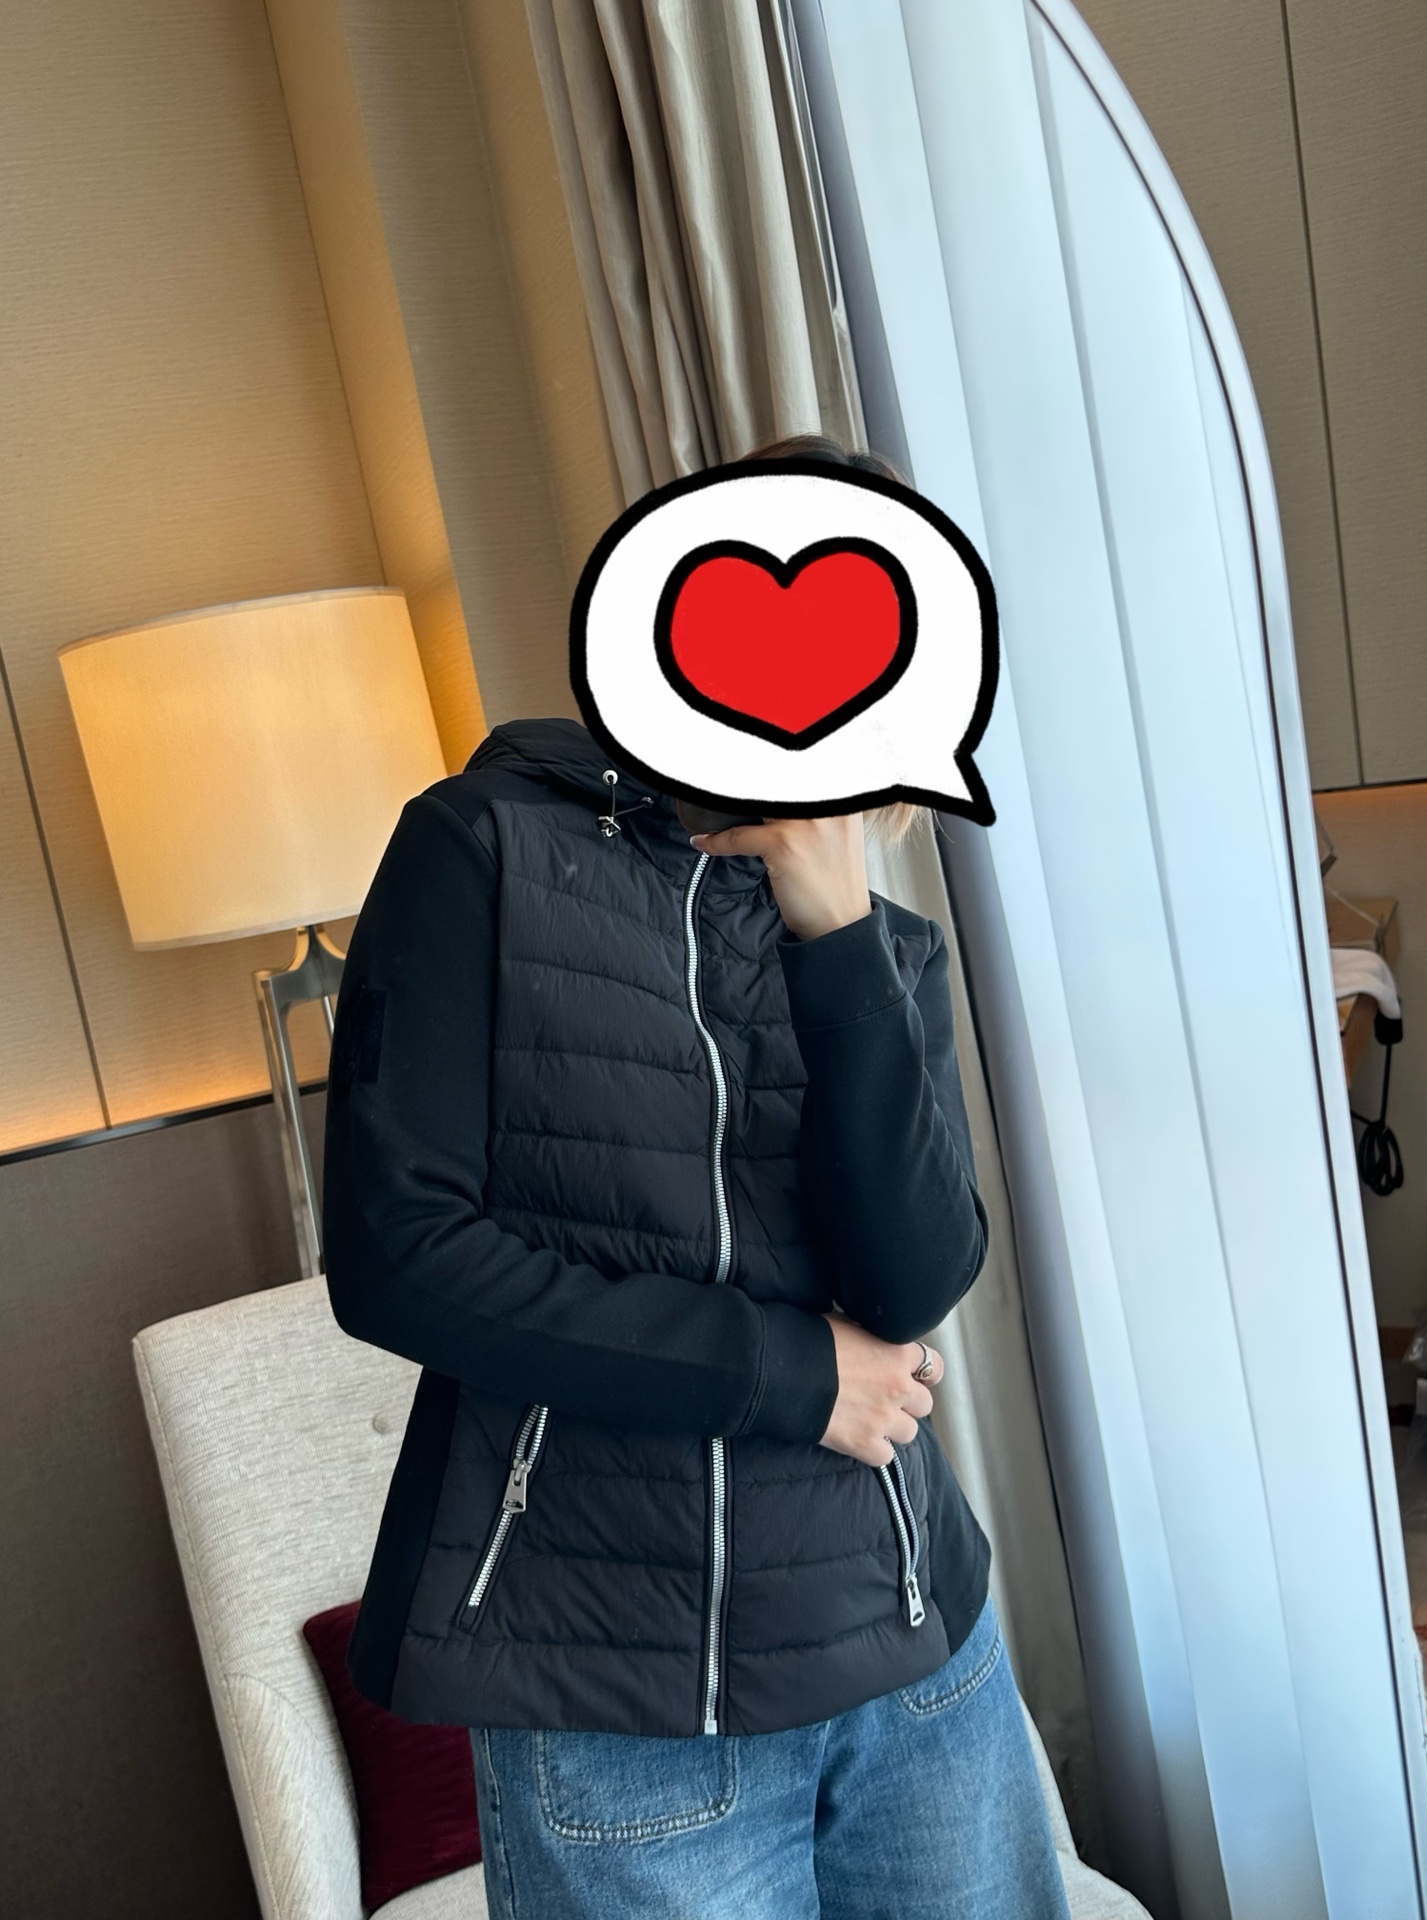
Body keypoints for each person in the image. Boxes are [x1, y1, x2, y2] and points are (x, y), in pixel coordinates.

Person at [323, 437, 1070, 1918]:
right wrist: (793, 1378)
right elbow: (399, 1254)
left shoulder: (881, 946)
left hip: (918, 1662)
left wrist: (834, 926)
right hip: (621, 1704)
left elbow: (916, 1281)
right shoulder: (481, 852)